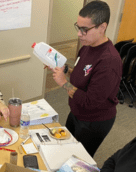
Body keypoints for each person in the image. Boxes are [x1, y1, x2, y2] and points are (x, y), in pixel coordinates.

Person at [51, 1, 122, 157]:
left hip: (94, 121)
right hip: (77, 112)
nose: (79, 34)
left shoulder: (109, 61)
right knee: (65, 148)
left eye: (85, 29)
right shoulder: (87, 47)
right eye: (78, 27)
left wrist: (63, 82)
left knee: (78, 160)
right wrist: (65, 70)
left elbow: (90, 101)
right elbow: (80, 74)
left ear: (102, 27)